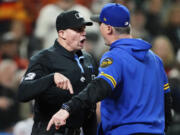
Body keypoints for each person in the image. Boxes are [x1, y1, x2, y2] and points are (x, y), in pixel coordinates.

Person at [46, 3, 172, 135]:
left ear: (108, 29)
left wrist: (68, 107)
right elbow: (166, 102)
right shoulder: (155, 59)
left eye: (100, 23)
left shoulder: (115, 56)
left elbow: (99, 87)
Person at [17, 10, 98, 135]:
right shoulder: (43, 58)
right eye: (78, 30)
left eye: (84, 29)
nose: (84, 34)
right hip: (49, 131)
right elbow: (23, 93)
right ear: (62, 33)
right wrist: (51, 78)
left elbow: (89, 104)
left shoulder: (88, 59)